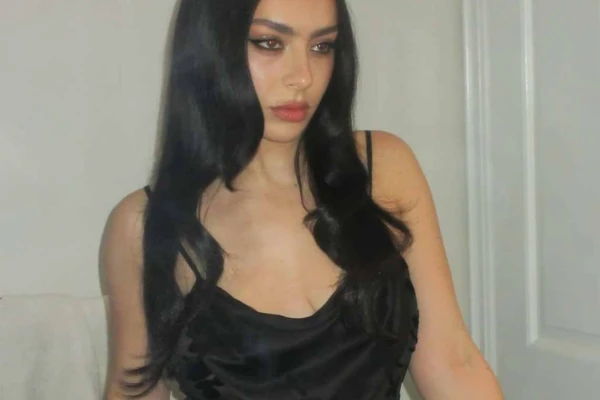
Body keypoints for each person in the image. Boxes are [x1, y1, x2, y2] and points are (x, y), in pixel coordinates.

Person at [101, 0, 503, 399]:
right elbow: (135, 391)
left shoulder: (384, 168)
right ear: (210, 46)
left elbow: (453, 363)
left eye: (322, 46)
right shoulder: (144, 226)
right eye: (269, 43)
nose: (303, 76)